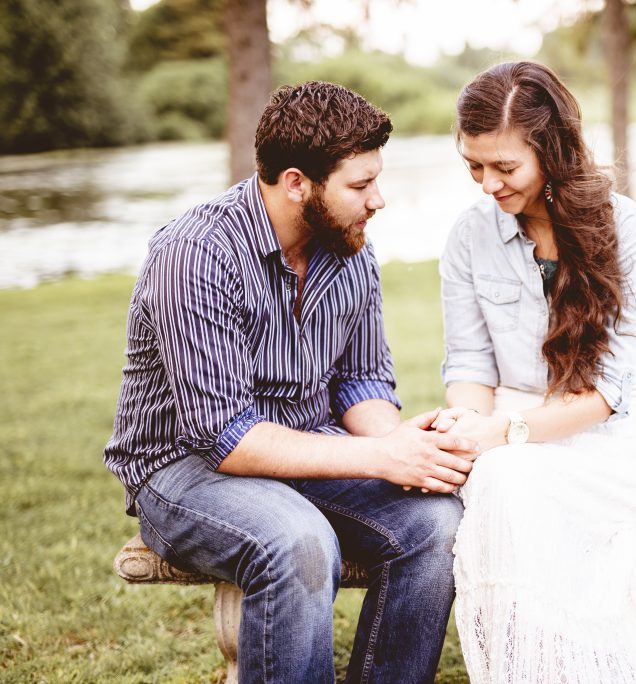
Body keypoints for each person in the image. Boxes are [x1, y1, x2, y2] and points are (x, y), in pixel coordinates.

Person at [103, 81, 479, 684]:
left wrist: (409, 447)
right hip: (184, 467)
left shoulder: (350, 248)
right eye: (360, 185)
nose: (378, 199)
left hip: (309, 447)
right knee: (298, 540)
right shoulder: (196, 253)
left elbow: (361, 381)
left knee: (437, 524)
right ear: (298, 182)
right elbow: (225, 437)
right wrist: (382, 455)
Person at [432, 62, 636, 683]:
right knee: (498, 480)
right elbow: (469, 362)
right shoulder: (467, 235)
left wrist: (502, 437)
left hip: (608, 446)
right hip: (502, 435)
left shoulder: (629, 231)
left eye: (505, 167)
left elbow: (609, 391)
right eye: (474, 167)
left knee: (507, 482)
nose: (487, 184)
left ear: (552, 149)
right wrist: (466, 425)